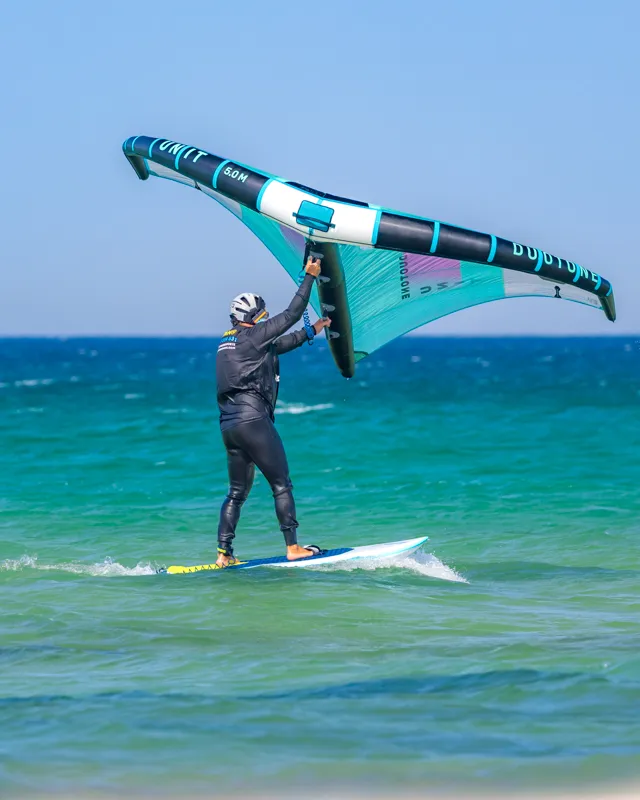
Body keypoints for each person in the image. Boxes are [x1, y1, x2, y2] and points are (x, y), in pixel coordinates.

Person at [214, 256, 331, 568]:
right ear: (253, 317)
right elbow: (291, 314)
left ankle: (224, 553)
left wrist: (313, 330)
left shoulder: (230, 342)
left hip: (229, 426)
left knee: (236, 492)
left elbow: (278, 345)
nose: (265, 320)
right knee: (281, 484)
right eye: (262, 315)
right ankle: (293, 547)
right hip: (253, 420)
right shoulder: (254, 337)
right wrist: (310, 276)